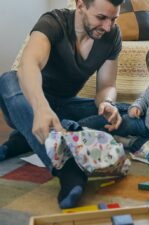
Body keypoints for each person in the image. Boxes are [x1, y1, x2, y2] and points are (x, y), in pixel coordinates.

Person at [0, 0, 127, 209]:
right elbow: (28, 64)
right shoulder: (54, 22)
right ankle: (67, 169)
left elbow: (106, 85)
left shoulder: (112, 35)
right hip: (30, 102)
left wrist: (107, 103)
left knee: (124, 111)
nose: (108, 26)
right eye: (101, 18)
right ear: (80, 5)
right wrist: (40, 107)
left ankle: (25, 140)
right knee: (7, 80)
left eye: (114, 19)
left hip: (65, 106)